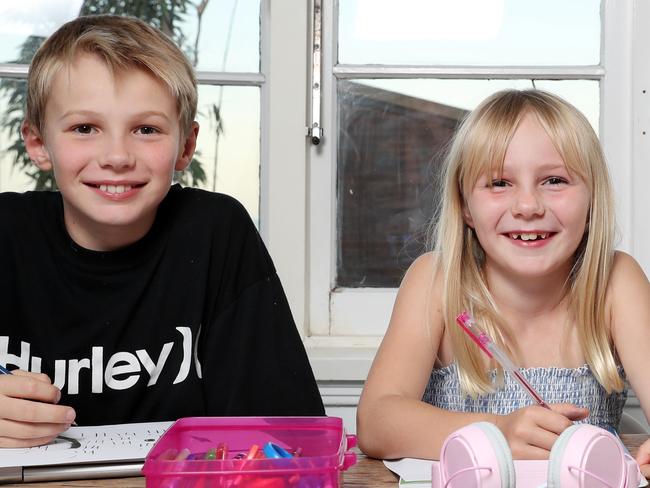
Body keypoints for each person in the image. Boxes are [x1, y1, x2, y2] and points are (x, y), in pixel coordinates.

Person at [0, 14, 324, 448]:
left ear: (185, 146)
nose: (117, 156)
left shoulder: (216, 231)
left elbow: (287, 432)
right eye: (84, 128)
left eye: (146, 129)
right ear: (39, 143)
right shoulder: (6, 232)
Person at [356, 89, 650, 477]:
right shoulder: (437, 283)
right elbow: (376, 422)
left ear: (592, 200)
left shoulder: (615, 282)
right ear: (465, 207)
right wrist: (498, 432)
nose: (528, 207)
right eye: (499, 183)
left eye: (554, 180)